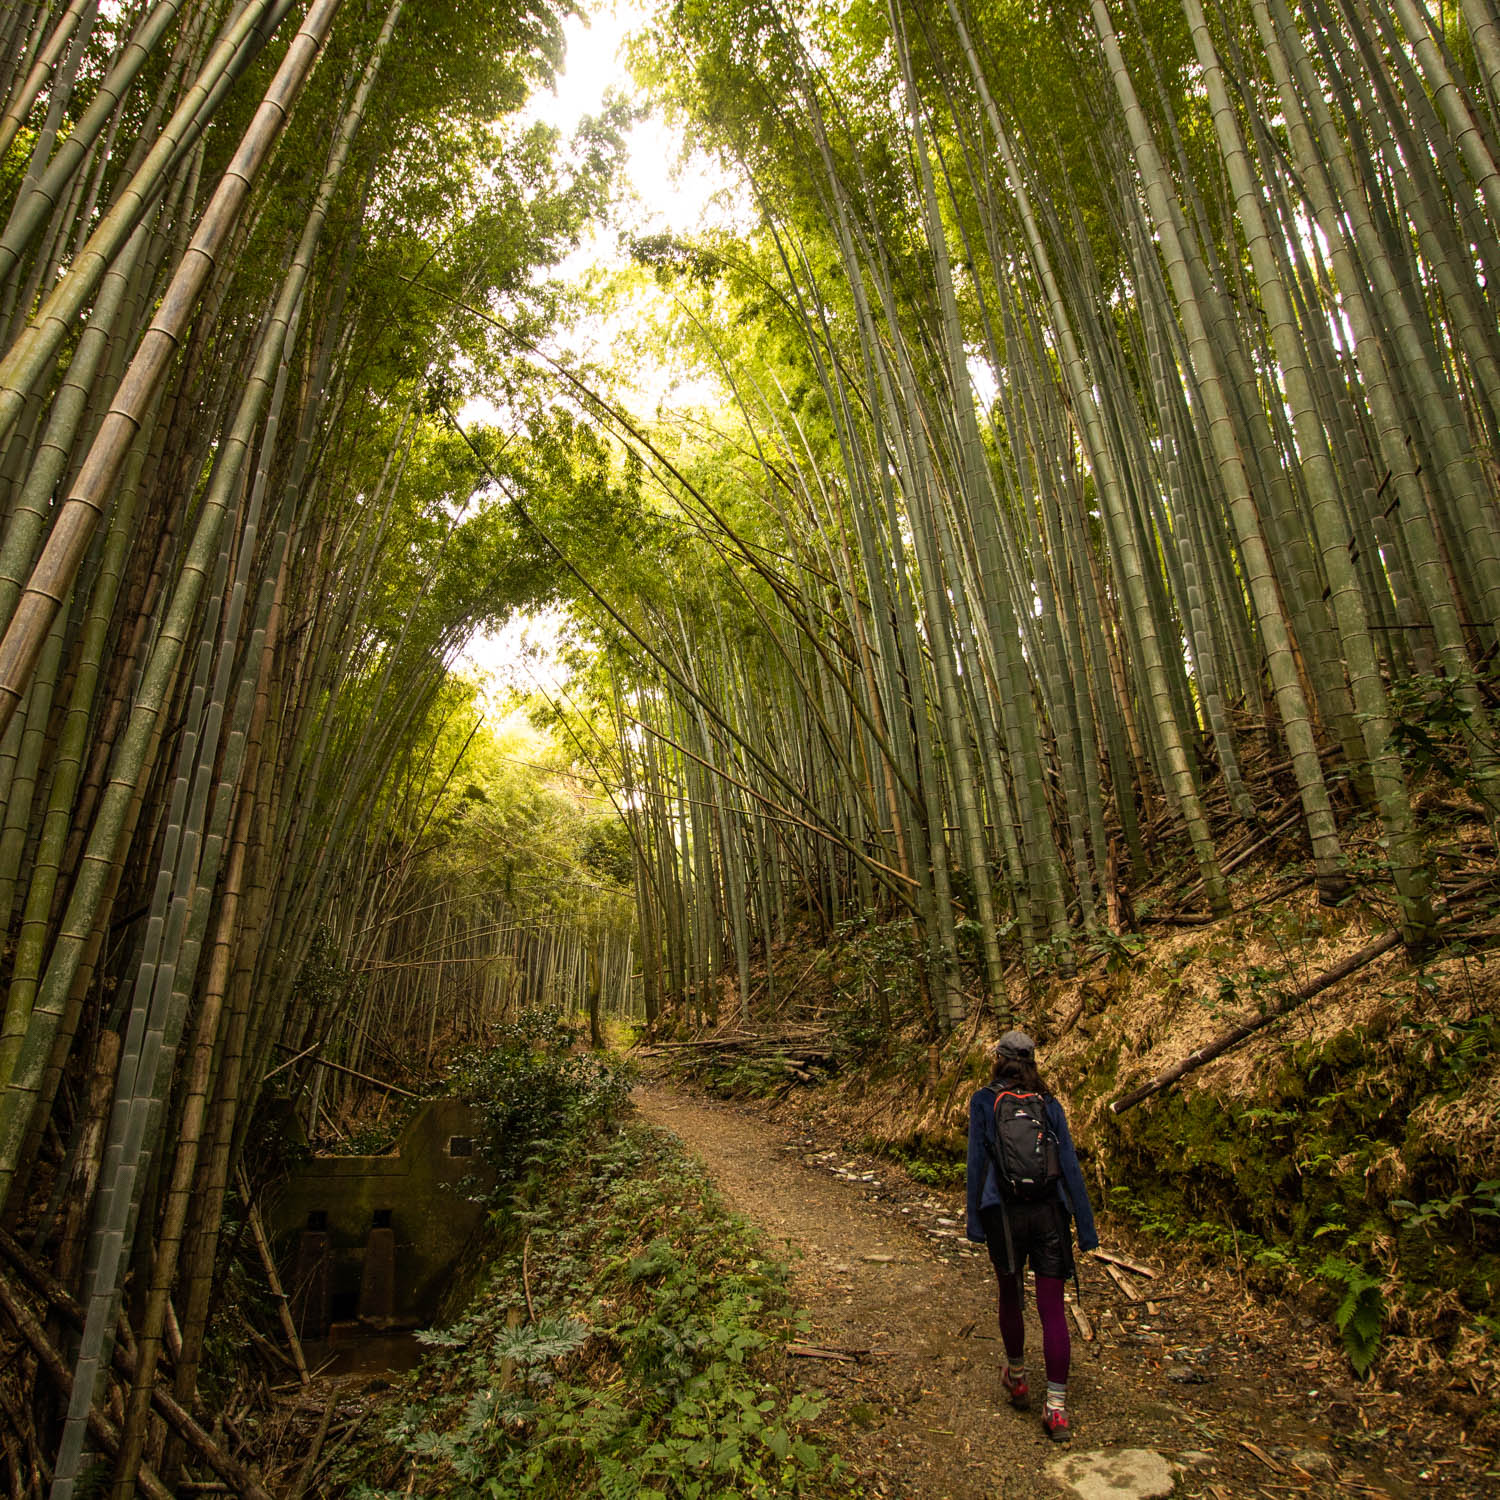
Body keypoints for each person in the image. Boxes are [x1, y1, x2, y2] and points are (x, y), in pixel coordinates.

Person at [966, 1028, 1098, 1441]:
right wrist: (1086, 1227)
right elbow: (1070, 1164)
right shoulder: (1048, 1101)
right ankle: (1056, 1407)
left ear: (998, 1059)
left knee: (1010, 1295)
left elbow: (976, 1165)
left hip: (1001, 1212)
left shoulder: (985, 1100)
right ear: (1032, 1062)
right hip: (1048, 1213)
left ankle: (1018, 1378)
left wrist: (973, 1221)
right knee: (1052, 1308)